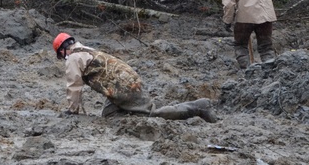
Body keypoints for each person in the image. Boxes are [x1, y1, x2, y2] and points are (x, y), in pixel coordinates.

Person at [53, 33, 217, 122]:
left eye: (61, 56)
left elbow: (74, 86)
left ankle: (198, 107)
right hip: (121, 83)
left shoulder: (73, 58)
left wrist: (72, 111)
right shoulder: (86, 50)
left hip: (121, 87)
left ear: (62, 51)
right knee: (109, 116)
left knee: (152, 113)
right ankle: (135, 113)